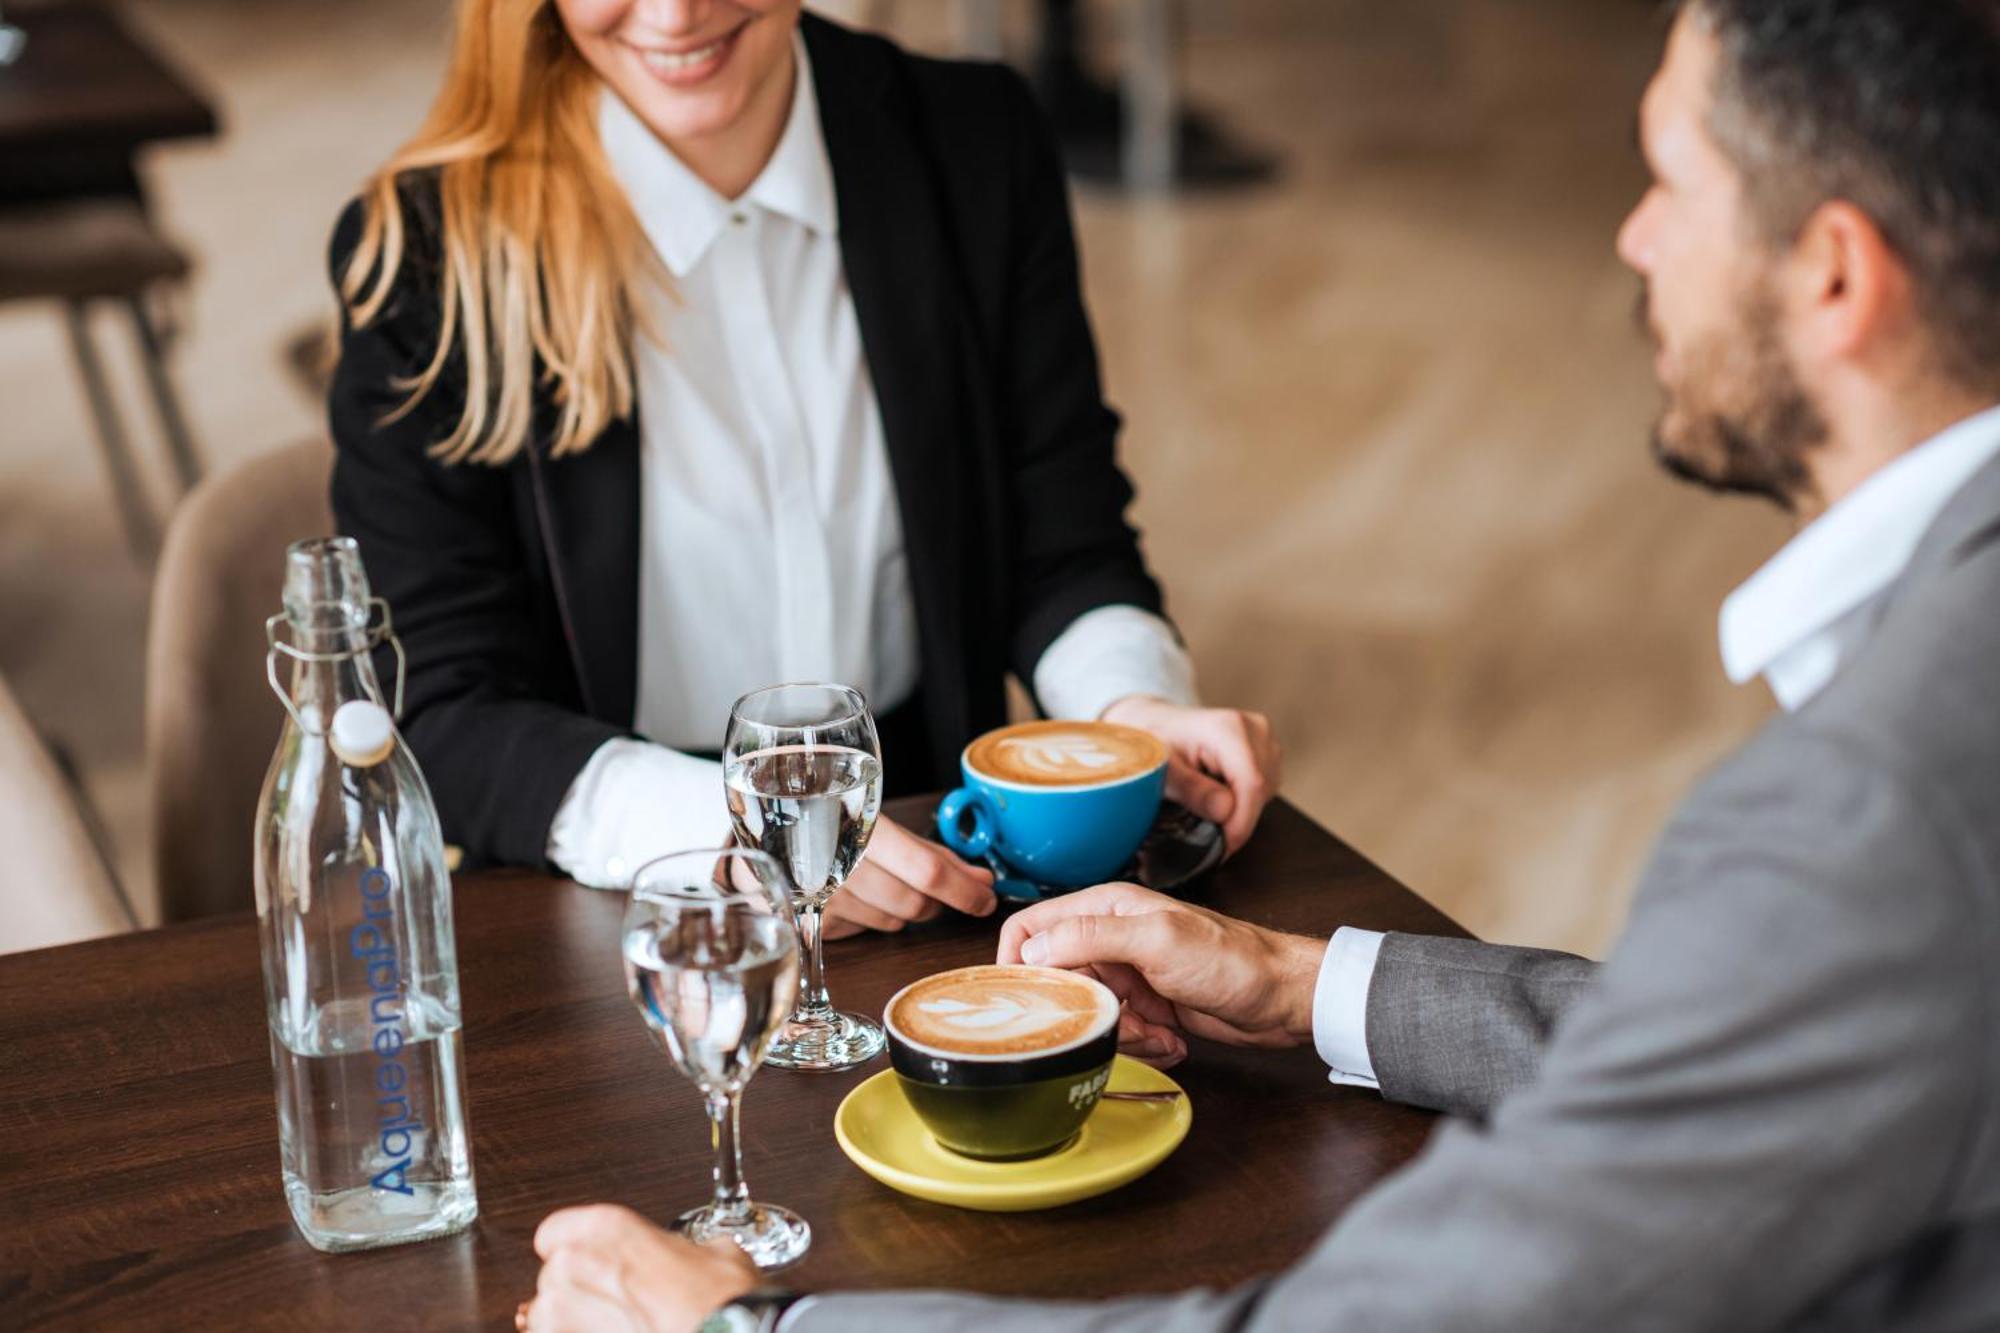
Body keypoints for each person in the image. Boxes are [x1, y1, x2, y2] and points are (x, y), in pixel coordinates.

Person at [521, 0, 2000, 1326]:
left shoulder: (1871, 808)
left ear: (1833, 276)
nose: (1631, 237)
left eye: (1670, 183)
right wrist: (1303, 986)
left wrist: (749, 1330)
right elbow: (1748, 1058)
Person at [326, 0, 1281, 937]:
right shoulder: (427, 251)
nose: (675, 11)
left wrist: (1129, 712)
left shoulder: (975, 140)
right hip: (617, 912)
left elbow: (1063, 544)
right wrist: (748, 834)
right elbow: (441, 710)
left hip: (938, 880)